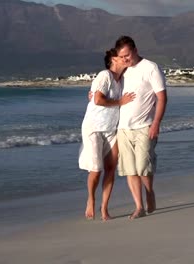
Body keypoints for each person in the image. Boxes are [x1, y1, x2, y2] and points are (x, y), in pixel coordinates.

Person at [78, 48, 135, 221]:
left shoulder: (123, 79)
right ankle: (91, 199)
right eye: (121, 57)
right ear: (113, 59)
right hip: (94, 128)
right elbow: (98, 100)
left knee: (111, 169)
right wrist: (120, 102)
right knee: (96, 170)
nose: (125, 59)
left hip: (111, 130)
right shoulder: (105, 75)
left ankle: (104, 208)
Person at [114, 36, 167, 219]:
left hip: (145, 126)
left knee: (143, 167)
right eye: (122, 57)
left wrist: (156, 123)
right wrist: (94, 95)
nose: (125, 60)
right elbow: (109, 91)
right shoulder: (121, 70)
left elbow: (162, 97)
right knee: (130, 169)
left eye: (127, 55)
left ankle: (149, 192)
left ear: (135, 50)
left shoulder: (150, 68)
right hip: (123, 128)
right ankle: (139, 207)